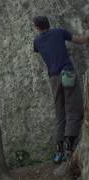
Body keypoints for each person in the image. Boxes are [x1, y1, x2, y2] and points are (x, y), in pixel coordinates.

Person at [33, 16, 89, 163]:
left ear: (37, 27)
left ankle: (59, 152)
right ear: (48, 24)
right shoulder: (59, 32)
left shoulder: (36, 42)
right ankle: (69, 148)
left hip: (54, 78)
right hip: (68, 73)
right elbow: (79, 40)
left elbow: (43, 51)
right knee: (73, 110)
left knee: (60, 112)